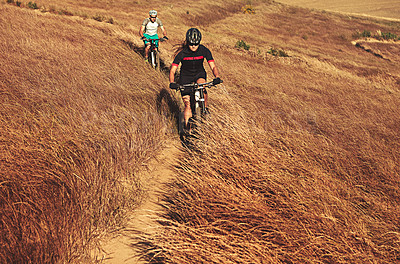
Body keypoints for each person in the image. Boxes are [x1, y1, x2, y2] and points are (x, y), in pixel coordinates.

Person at [169, 28, 222, 130]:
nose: (193, 46)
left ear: (199, 42)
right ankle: (187, 130)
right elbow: (172, 70)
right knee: (187, 104)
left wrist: (217, 77)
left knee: (202, 88)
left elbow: (213, 66)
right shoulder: (182, 53)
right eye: (191, 44)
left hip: (199, 74)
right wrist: (172, 82)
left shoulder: (204, 50)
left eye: (196, 43)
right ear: (187, 42)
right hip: (185, 76)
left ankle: (204, 111)